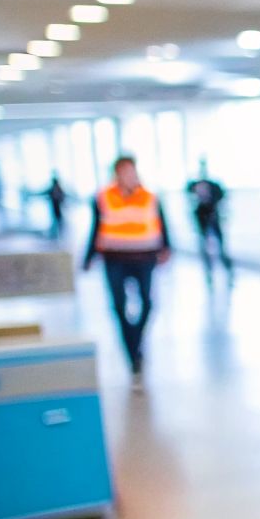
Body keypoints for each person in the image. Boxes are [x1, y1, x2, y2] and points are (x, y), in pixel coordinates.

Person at [84, 156, 170, 379]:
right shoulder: (103, 197)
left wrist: (166, 248)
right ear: (116, 173)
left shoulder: (150, 197)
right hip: (115, 258)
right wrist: (88, 256)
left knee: (148, 303)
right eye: (123, 171)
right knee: (119, 307)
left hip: (145, 256)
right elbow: (96, 227)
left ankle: (137, 339)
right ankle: (132, 353)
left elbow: (162, 223)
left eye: (131, 171)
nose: (128, 175)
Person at [186, 159, 234, 285]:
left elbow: (222, 196)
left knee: (221, 246)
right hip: (202, 219)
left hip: (214, 217)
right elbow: (189, 195)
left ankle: (228, 270)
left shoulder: (213, 185)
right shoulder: (194, 185)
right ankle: (209, 273)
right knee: (204, 247)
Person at [42, 175, 66, 239]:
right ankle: (56, 234)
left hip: (57, 207)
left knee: (57, 220)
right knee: (57, 220)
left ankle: (57, 234)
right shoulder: (57, 188)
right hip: (56, 207)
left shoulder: (56, 188)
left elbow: (61, 197)